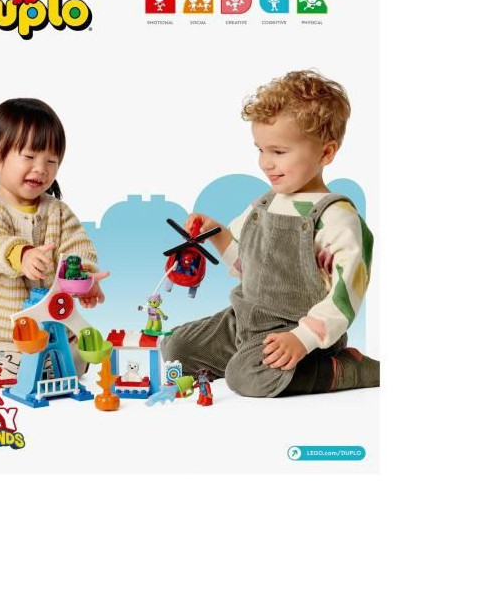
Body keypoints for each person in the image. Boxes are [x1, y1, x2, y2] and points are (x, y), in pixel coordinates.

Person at [162, 70, 380, 397]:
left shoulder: (335, 217)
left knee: (244, 378)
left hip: (296, 334)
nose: (265, 163)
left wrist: (302, 338)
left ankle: (343, 368)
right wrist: (216, 234)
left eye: (278, 152)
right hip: (244, 322)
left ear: (325, 153)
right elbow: (246, 265)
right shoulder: (265, 204)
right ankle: (252, 360)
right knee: (176, 348)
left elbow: (345, 294)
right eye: (260, 150)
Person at [0, 98, 105, 374]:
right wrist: (19, 254)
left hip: (51, 329)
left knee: (84, 350)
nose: (41, 168)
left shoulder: (58, 211)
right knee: (8, 367)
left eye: (51, 160)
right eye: (30, 156)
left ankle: (54, 366)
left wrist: (82, 276)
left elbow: (78, 245)